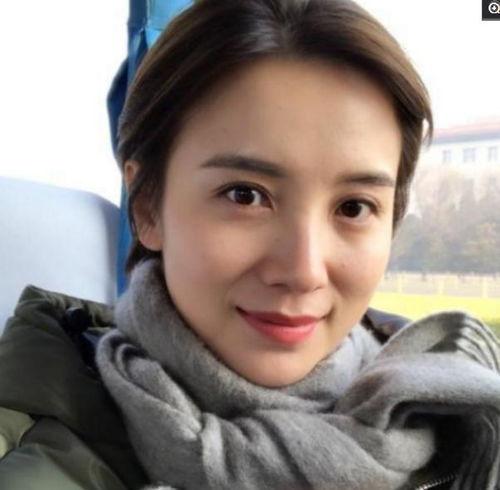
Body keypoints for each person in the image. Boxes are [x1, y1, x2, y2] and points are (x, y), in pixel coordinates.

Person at [1, 1, 500, 489]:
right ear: (148, 206)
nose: (304, 271)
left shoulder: (461, 417)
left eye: (353, 207)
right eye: (245, 195)